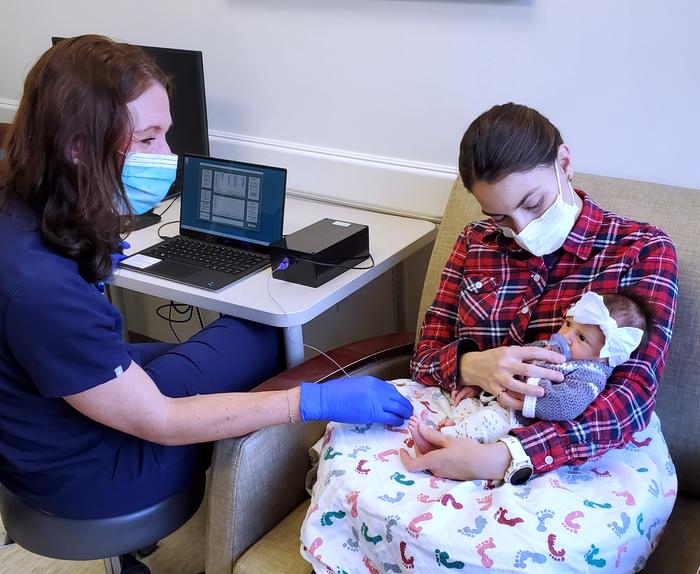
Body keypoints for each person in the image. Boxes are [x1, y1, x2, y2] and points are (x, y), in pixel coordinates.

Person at [0, 35, 412, 521]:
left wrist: (88, 244)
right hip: (92, 473)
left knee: (253, 336)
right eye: (149, 138)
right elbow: (162, 420)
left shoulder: (18, 210)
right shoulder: (43, 288)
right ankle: (254, 507)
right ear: (76, 147)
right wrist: (311, 400)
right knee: (264, 338)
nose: (167, 154)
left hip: (53, 423)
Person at [401, 102, 677, 483]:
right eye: (499, 217)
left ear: (564, 164)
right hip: (467, 420)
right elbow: (425, 357)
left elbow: (630, 401)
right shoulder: (474, 243)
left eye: (533, 203)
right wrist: (473, 366)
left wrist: (501, 457)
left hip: (572, 454)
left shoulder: (640, 250)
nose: (522, 228)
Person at [409, 290, 651, 450]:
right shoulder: (547, 347)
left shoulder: (589, 375)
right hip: (498, 401)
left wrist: (529, 385)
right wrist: (481, 381)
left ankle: (445, 440)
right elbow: (513, 361)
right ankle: (453, 424)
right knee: (469, 404)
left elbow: (567, 403)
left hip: (519, 420)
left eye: (581, 338)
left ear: (606, 356)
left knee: (487, 421)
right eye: (568, 324)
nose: (565, 337)